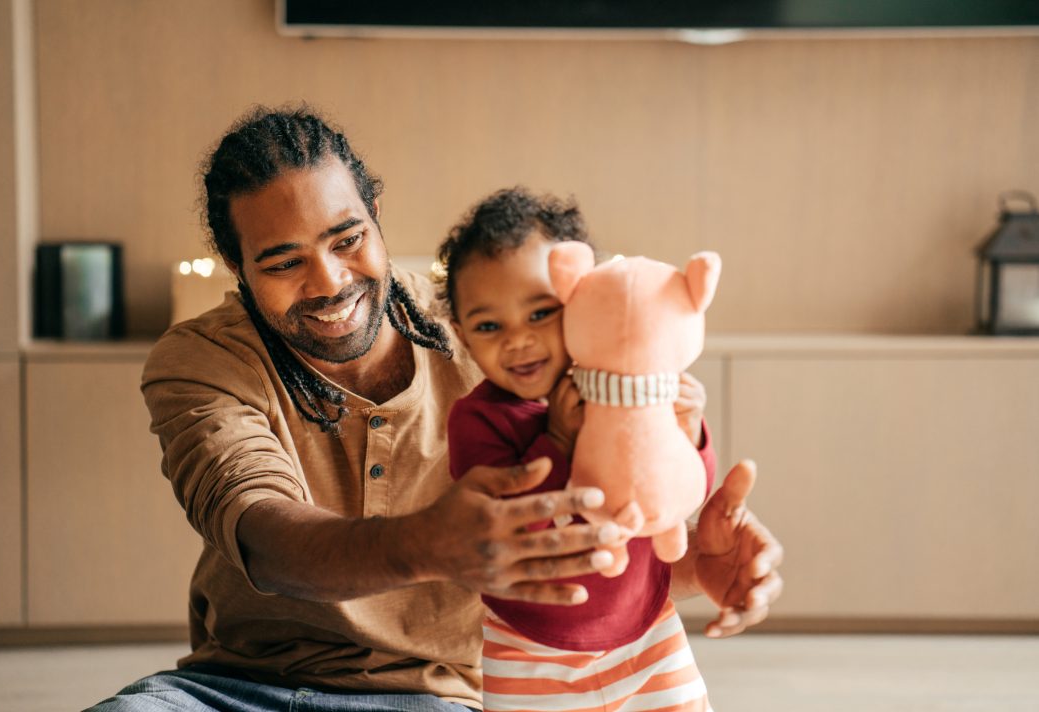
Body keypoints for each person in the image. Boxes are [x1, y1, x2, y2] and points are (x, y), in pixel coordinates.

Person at [87, 106, 784, 711]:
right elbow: (263, 534)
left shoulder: (490, 333)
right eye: (281, 262)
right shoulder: (201, 359)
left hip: (433, 697)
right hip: (229, 689)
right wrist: (424, 543)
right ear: (238, 268)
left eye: (347, 239)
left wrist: (690, 567)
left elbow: (588, 534)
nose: (329, 281)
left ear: (377, 216)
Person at [440, 188, 717, 711]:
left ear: (579, 296)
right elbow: (510, 531)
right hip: (529, 647)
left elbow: (682, 490)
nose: (517, 340)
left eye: (540, 314)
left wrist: (689, 425)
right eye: (489, 326)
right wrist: (560, 442)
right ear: (461, 334)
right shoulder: (477, 420)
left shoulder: (627, 391)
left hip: (648, 630)